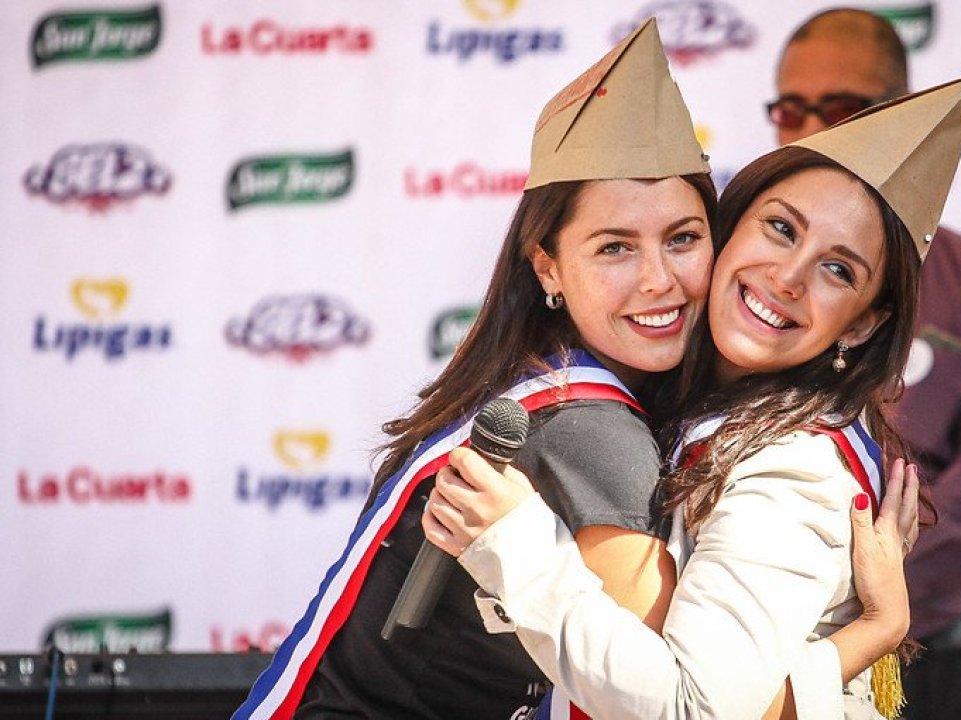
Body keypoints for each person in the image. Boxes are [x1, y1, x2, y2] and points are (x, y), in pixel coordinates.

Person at [236, 19, 909, 720]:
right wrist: (870, 633)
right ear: (548, 267)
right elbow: (677, 706)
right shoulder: (593, 434)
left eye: (682, 239)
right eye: (615, 248)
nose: (658, 280)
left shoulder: (548, 378)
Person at [424, 75, 961, 720]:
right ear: (728, 229)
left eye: (838, 270)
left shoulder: (789, 470)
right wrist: (873, 632)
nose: (788, 277)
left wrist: (513, 543)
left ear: (860, 325)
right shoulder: (706, 409)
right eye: (781, 229)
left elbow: (694, 711)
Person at [770, 9, 961, 719]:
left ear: (902, 113)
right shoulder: (742, 277)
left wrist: (861, 588)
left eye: (840, 108)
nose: (813, 132)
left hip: (922, 661)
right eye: (792, 110)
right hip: (755, 654)